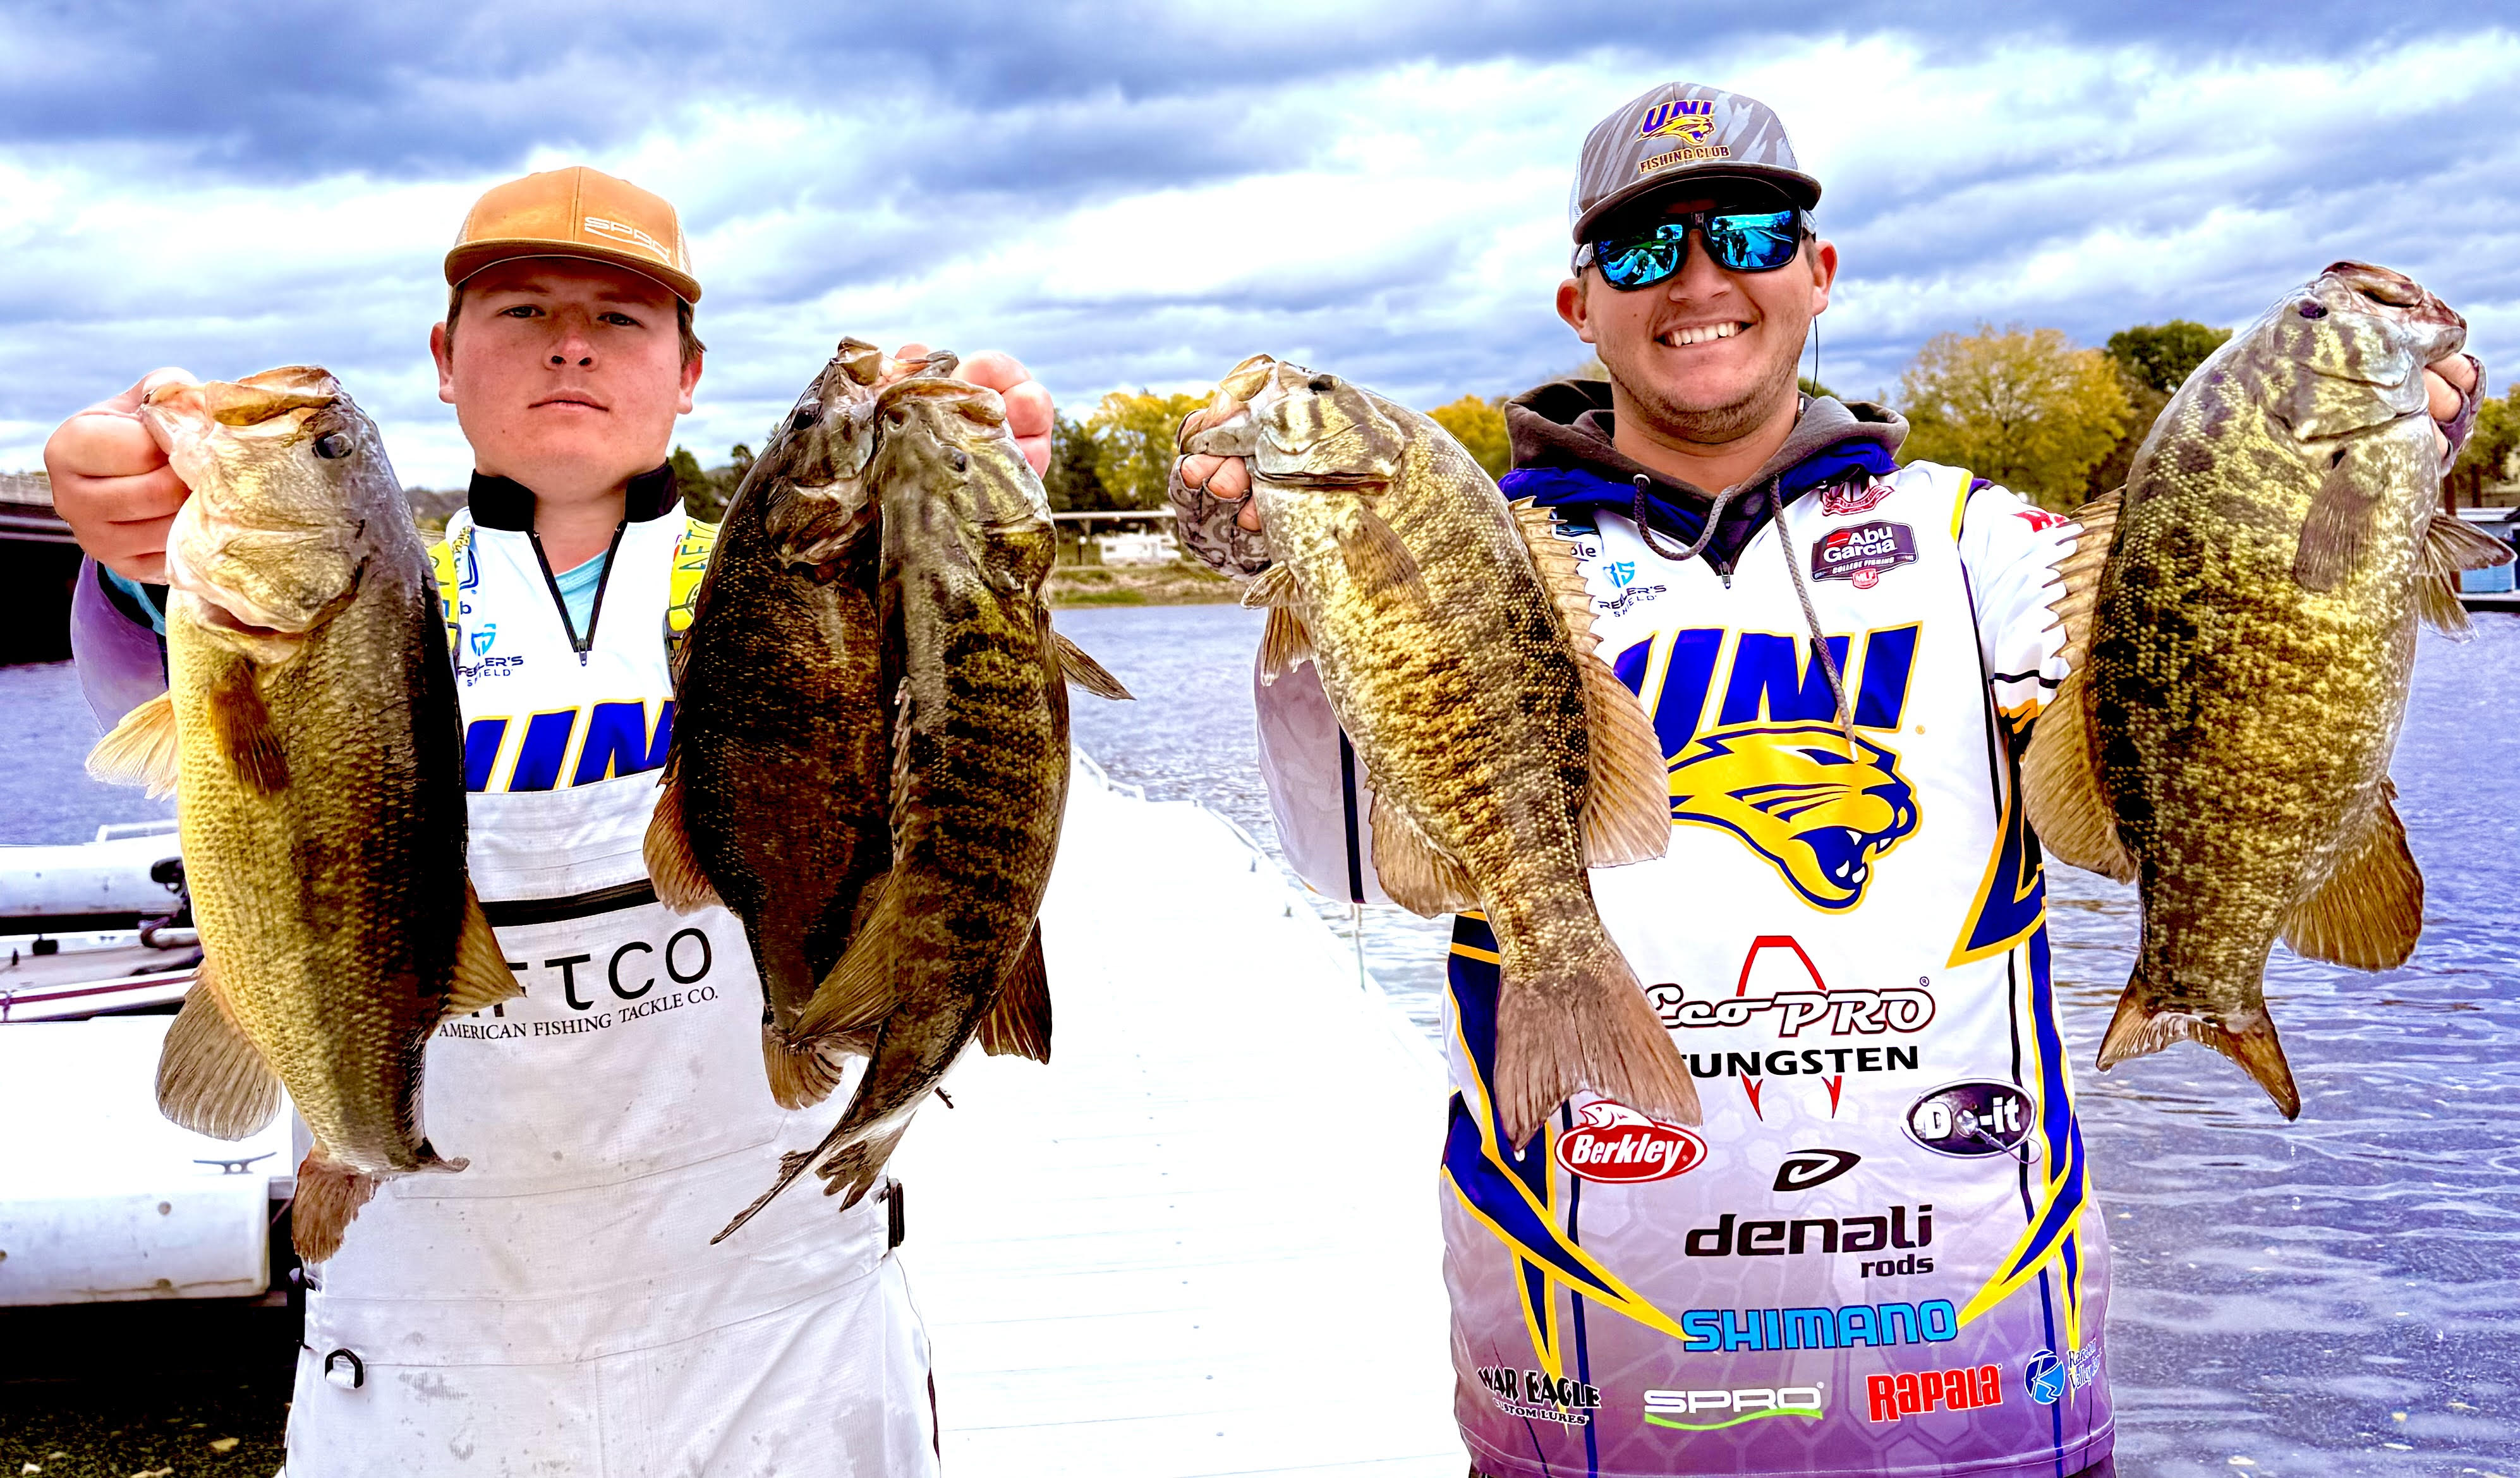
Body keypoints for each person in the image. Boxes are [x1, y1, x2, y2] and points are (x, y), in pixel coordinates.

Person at [1174, 83, 2484, 1478]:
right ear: (1578, 305)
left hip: (1978, 1369)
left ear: (1815, 271)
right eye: (1638, 250)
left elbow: (2212, 682)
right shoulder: (1469, 550)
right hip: (1586, 1382)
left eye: (1744, 229)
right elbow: (1346, 863)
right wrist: (1303, 588)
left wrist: (2344, 490)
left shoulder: (1975, 540)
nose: (1696, 278)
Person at [43, 164, 1055, 1476]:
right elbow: (163, 681)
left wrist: (962, 527)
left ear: (689, 374)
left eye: (622, 319)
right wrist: (128, 549)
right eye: (520, 310)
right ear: (443, 362)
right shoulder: (355, 580)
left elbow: (971, 724)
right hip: (423, 1338)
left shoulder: (790, 574)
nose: (571, 341)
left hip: (782, 1328)